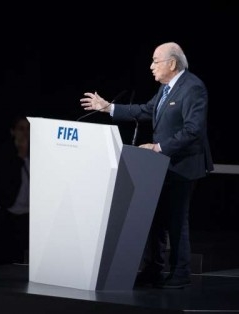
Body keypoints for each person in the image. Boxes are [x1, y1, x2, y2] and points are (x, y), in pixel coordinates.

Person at [80, 42, 213, 289]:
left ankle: (181, 272)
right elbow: (145, 111)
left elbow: (193, 131)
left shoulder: (192, 88)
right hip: (161, 167)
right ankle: (154, 269)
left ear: (172, 63)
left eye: (155, 61)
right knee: (157, 219)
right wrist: (109, 108)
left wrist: (158, 148)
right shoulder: (166, 90)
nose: (151, 67)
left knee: (176, 220)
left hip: (183, 166)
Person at [0, 115, 30, 265]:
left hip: (27, 215)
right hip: (6, 213)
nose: (25, 133)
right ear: (12, 131)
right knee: (2, 258)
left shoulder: (37, 153)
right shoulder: (3, 153)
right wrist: (20, 156)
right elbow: (5, 184)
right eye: (21, 129)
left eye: (28, 129)